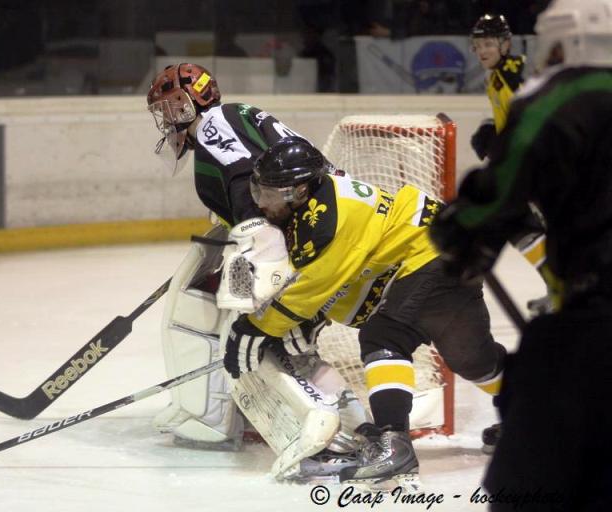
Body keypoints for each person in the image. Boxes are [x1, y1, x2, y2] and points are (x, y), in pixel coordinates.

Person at [223, 136, 508, 488]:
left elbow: (316, 284)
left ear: (297, 192)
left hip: (432, 252)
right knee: (473, 360)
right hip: (447, 251)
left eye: (268, 194)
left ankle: (395, 444)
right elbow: (346, 276)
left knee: (385, 335)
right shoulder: (319, 201)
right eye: (258, 191)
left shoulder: (325, 217)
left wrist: (258, 327)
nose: (261, 204)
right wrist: (309, 317)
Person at [145, 63, 371, 478]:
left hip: (314, 243)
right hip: (321, 235)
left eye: (170, 106)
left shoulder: (214, 127)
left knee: (264, 340)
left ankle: (330, 440)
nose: (166, 118)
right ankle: (364, 433)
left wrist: (256, 272)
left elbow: (251, 191)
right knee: (292, 349)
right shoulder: (235, 116)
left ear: (188, 103)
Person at [429, 0, 612, 508]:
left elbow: (491, 200)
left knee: (531, 480)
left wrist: (465, 225)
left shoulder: (558, 96)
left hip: (593, 327)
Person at [469, 12, 554, 453]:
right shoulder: (500, 75)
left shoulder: (517, 73)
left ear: (505, 43)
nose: (482, 51)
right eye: (477, 45)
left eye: (489, 44)